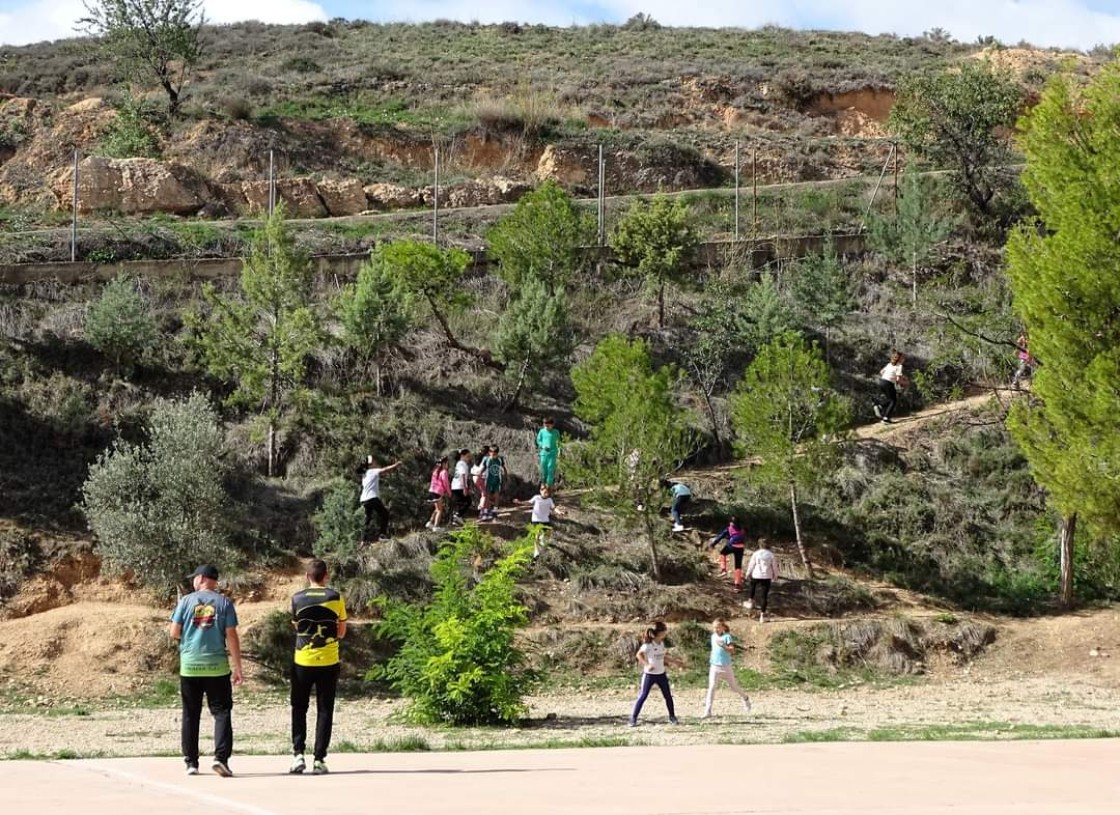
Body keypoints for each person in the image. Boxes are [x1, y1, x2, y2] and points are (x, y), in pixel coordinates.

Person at [169, 564, 243, 778]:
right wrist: (238, 667)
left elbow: (174, 632)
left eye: (194, 578)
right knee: (221, 712)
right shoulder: (224, 603)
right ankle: (220, 758)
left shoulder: (185, 601)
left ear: (201, 579)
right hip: (217, 668)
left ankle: (191, 762)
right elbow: (232, 636)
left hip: (190, 666)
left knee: (191, 714)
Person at [289, 558, 347, 776]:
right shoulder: (335, 597)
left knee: (299, 708)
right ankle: (319, 759)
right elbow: (341, 631)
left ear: (307, 576)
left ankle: (298, 755)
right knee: (324, 710)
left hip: (302, 661)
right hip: (328, 660)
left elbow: (297, 626)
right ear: (326, 576)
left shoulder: (297, 598)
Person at [629, 621, 685, 727]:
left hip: (661, 674)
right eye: (664, 630)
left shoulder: (661, 644)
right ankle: (633, 719)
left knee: (668, 696)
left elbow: (663, 656)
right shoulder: (648, 645)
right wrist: (647, 665)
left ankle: (672, 717)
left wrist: (676, 662)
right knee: (643, 696)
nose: (666, 632)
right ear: (659, 632)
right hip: (649, 675)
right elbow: (638, 655)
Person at [702, 618, 752, 719]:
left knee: (734, 687)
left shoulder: (727, 637)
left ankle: (745, 698)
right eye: (714, 628)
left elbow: (732, 651)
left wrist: (724, 646)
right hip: (714, 666)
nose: (716, 629)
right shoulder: (713, 637)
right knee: (711, 688)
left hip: (726, 667)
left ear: (723, 627)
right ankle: (708, 711)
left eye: (718, 627)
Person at [360, 455, 402, 543]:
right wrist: (396, 465)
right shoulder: (373, 471)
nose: (376, 462)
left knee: (367, 519)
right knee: (385, 514)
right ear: (370, 464)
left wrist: (392, 469)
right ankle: (382, 535)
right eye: (374, 461)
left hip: (364, 499)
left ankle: (363, 540)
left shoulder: (364, 474)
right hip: (372, 498)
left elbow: (384, 473)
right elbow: (385, 469)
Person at [709, 517, 747, 591]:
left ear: (732, 523)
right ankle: (737, 585)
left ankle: (723, 570)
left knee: (723, 553)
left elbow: (720, 537)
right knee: (738, 566)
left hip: (732, 546)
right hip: (741, 547)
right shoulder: (743, 529)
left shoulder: (729, 528)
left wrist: (712, 544)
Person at [745, 539, 779, 623]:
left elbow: (751, 564)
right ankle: (762, 617)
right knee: (764, 596)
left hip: (756, 574)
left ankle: (750, 600)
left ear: (759, 545)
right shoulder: (771, 555)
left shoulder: (756, 553)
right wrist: (775, 575)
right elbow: (774, 566)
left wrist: (747, 573)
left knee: (752, 586)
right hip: (767, 576)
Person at [524, 483, 559, 558]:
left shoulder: (549, 500)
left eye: (547, 492)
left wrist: (560, 512)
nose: (546, 494)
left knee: (548, 532)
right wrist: (519, 502)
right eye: (545, 492)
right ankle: (536, 553)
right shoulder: (536, 498)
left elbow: (554, 508)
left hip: (545, 520)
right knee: (537, 535)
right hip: (536, 520)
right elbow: (528, 502)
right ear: (541, 491)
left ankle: (542, 542)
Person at [873, 351, 907, 424]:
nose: (904, 359)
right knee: (893, 401)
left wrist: (891, 375)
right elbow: (898, 380)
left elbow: (881, 372)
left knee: (890, 399)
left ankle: (880, 406)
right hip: (888, 383)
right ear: (899, 359)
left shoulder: (889, 364)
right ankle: (886, 418)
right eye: (903, 358)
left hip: (881, 381)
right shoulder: (899, 366)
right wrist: (905, 383)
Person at [480, 445, 508, 521]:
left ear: (497, 453)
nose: (493, 454)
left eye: (495, 452)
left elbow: (504, 468)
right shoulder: (486, 459)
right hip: (488, 480)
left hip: (497, 480)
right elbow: (482, 468)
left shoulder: (500, 459)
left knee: (496, 495)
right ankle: (485, 513)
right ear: (489, 452)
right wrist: (479, 475)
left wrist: (505, 479)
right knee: (487, 496)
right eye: (491, 452)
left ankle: (495, 512)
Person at [426, 455, 452, 531]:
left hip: (432, 491)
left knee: (437, 508)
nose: (448, 465)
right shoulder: (444, 472)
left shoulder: (435, 471)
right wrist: (449, 492)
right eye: (447, 463)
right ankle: (436, 526)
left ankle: (430, 522)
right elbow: (446, 483)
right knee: (440, 510)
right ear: (444, 463)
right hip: (438, 492)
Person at [536, 417, 561, 488]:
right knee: (543, 469)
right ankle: (543, 485)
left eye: (548, 425)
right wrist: (543, 446)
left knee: (550, 469)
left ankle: (549, 486)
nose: (546, 426)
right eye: (545, 425)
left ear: (552, 424)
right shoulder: (542, 431)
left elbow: (558, 442)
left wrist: (559, 450)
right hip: (544, 453)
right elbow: (538, 440)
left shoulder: (556, 432)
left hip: (553, 453)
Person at [450, 449, 472, 522]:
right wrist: (465, 488)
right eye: (467, 456)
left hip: (455, 486)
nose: (469, 458)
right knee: (468, 501)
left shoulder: (459, 463)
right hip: (459, 486)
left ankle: (456, 518)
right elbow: (462, 475)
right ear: (462, 456)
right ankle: (458, 515)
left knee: (459, 503)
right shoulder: (462, 464)